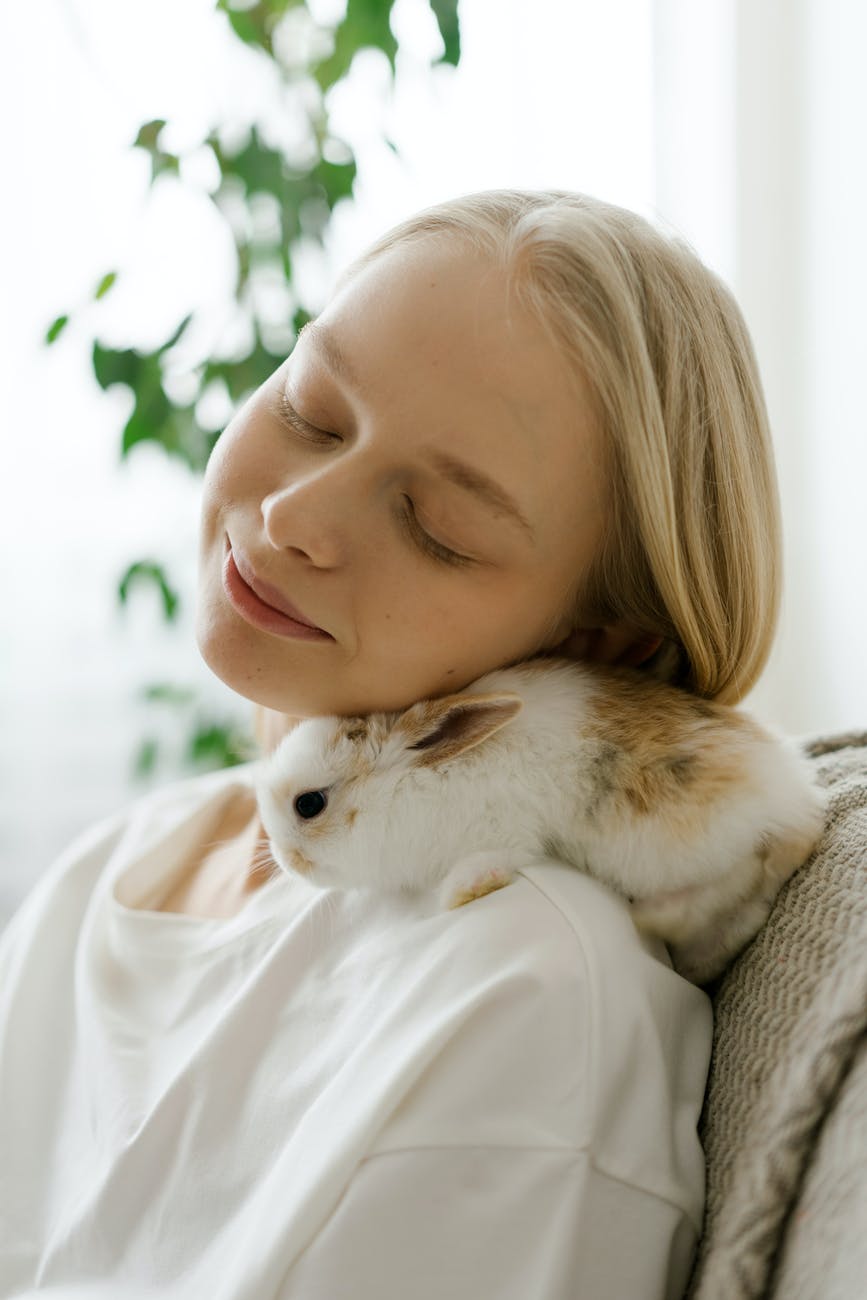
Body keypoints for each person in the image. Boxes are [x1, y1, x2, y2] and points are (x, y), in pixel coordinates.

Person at [0, 188, 781, 1298]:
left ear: (595, 641)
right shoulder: (117, 867)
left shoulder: (523, 1004)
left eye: (434, 527)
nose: (293, 518)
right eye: (311, 409)